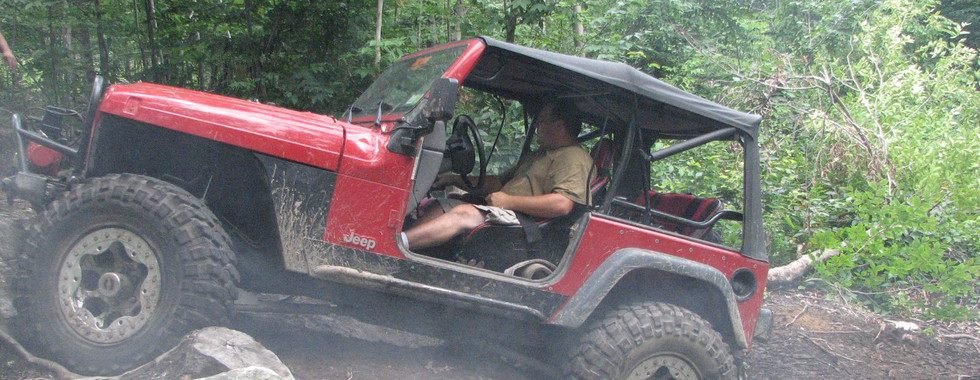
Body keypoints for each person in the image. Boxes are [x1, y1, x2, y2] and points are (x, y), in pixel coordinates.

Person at [404, 100, 594, 250]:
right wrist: (454, 179)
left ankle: (396, 246)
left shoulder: (574, 157)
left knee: (464, 213)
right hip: (505, 209)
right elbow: (497, 183)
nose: (537, 126)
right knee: (443, 205)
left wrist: (509, 201)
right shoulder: (540, 155)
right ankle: (403, 243)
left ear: (560, 126)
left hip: (526, 220)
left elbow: (562, 205)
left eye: (542, 121)